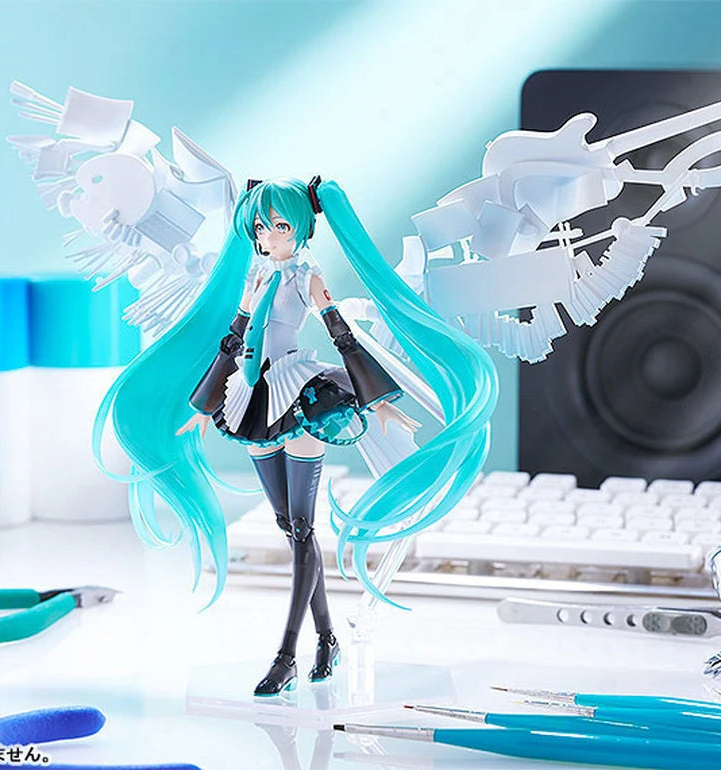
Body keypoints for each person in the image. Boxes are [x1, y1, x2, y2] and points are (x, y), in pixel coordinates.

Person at [104, 176, 497, 696]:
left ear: (302, 228)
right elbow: (234, 340)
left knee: (303, 529)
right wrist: (204, 405)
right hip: (252, 396)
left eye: (279, 227)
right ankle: (328, 639)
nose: (267, 237)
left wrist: (377, 399)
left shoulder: (308, 279)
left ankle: (287, 653)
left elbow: (342, 334)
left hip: (299, 391)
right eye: (259, 228)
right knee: (291, 529)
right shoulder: (254, 278)